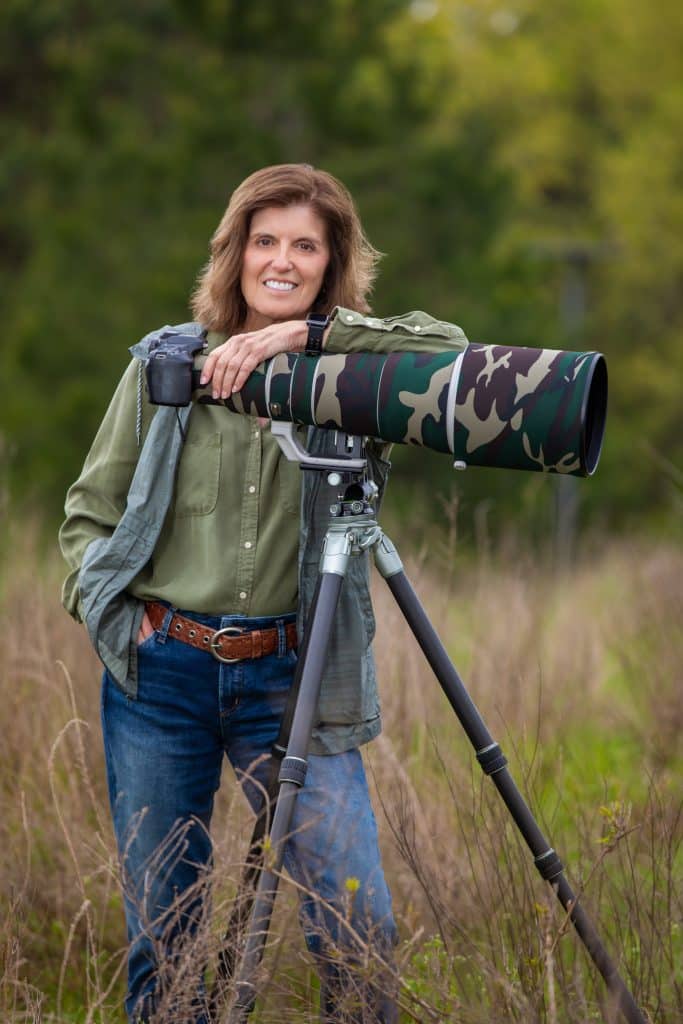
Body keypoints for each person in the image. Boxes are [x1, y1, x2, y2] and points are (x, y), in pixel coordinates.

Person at [59, 163, 468, 1023]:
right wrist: (114, 620)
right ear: (236, 251)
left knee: (358, 927)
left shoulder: (356, 382)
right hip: (159, 675)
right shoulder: (165, 365)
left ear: (330, 262)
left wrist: (301, 340)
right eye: (265, 240)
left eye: (305, 246)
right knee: (165, 942)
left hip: (294, 678)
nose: (281, 260)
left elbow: (452, 353)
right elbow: (88, 514)